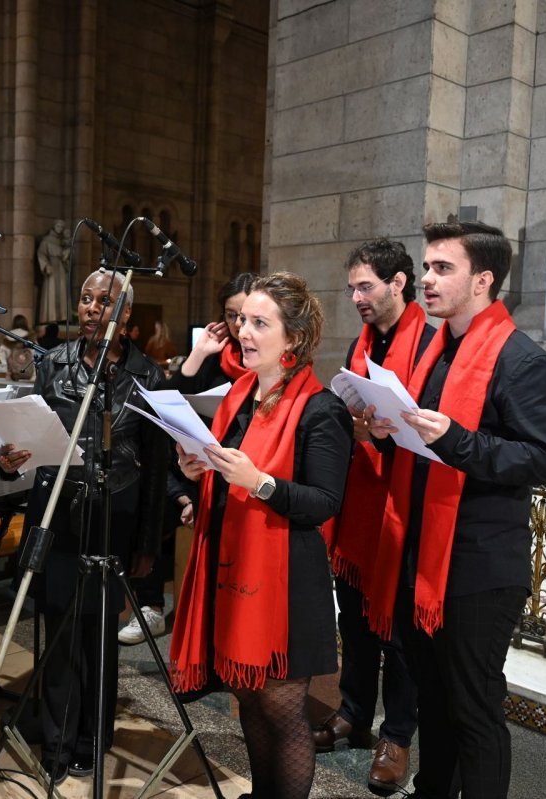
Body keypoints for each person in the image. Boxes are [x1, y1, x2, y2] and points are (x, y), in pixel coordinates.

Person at [366, 221, 546, 799]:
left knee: (474, 708)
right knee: (434, 701)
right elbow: (423, 438)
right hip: (422, 553)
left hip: (478, 565)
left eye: (441, 268)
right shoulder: (436, 349)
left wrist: (455, 439)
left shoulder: (519, 360)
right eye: (427, 267)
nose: (426, 279)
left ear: (482, 280)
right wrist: (384, 429)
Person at [168, 271, 353, 799]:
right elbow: (223, 474)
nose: (244, 332)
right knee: (248, 699)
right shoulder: (239, 397)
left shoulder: (323, 410)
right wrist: (195, 472)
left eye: (259, 323)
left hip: (288, 582)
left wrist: (260, 483)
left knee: (283, 710)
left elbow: (323, 503)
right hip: (236, 569)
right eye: (242, 320)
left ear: (292, 338)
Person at [0, 269, 166, 785]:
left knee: (100, 634)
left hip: (116, 519)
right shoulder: (55, 364)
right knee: (59, 631)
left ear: (126, 313)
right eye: (86, 299)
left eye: (103, 301)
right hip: (59, 515)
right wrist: (12, 459)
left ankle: (93, 738)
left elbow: (157, 469)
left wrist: (149, 543)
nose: (91, 308)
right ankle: (57, 741)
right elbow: (34, 439)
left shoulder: (148, 376)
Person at [315, 238, 433, 795]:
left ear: (398, 283)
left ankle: (398, 736)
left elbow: (436, 429)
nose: (357, 297)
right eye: (352, 288)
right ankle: (354, 714)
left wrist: (385, 433)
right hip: (362, 499)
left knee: (400, 633)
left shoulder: (431, 343)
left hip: (406, 504)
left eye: (366, 286)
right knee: (355, 619)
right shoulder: (359, 346)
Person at [118, 272, 257, 645]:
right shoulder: (215, 360)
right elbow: (166, 407)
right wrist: (198, 354)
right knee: (145, 495)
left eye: (247, 315)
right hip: (194, 471)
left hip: (243, 476)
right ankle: (150, 605)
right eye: (231, 315)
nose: (239, 324)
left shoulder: (265, 362)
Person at [36, 220, 71, 324]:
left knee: (62, 292)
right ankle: (51, 318)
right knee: (51, 292)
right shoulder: (47, 240)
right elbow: (41, 254)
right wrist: (46, 265)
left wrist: (66, 254)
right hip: (51, 268)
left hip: (60, 268)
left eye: (61, 226)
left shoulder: (63, 241)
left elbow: (66, 255)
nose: (60, 228)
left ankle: (62, 317)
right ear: (54, 226)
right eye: (58, 225)